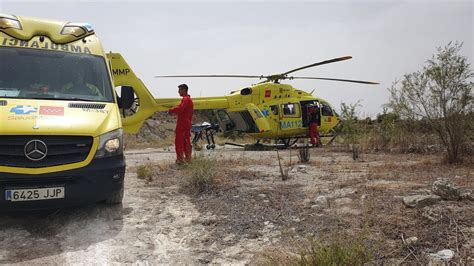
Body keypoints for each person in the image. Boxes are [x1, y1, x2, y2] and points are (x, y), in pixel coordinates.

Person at [168, 84, 194, 164]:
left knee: (179, 142)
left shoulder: (185, 99)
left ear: (183, 90)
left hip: (182, 125)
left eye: (179, 90)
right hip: (187, 124)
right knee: (186, 143)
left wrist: (171, 110)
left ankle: (180, 160)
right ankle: (188, 159)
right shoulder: (189, 99)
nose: (178, 92)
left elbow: (180, 108)